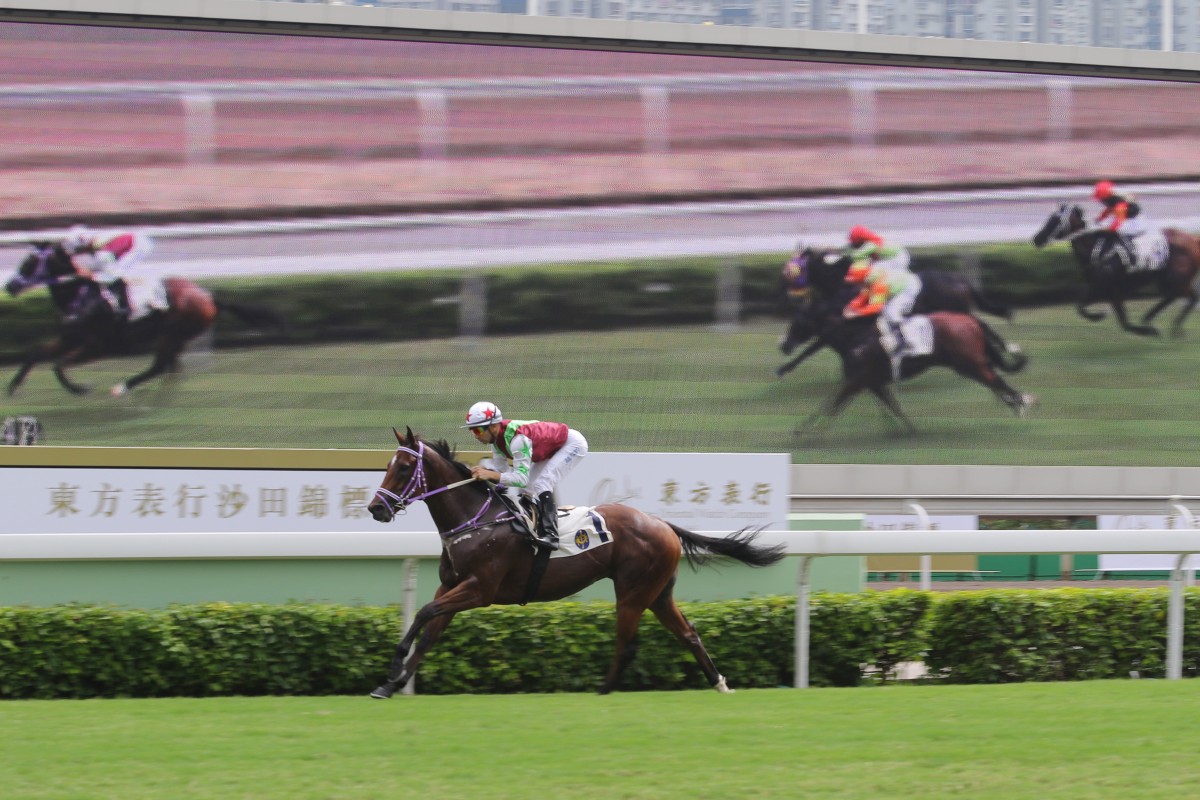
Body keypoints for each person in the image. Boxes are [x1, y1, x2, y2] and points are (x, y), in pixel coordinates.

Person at [461, 401, 589, 550]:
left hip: (572, 444)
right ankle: (534, 527)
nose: (475, 436)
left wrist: (491, 474)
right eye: (472, 431)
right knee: (528, 490)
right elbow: (504, 476)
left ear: (494, 426)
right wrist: (487, 474)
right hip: (550, 449)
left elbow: (520, 479)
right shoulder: (496, 443)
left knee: (542, 483)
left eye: (478, 430)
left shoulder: (517, 440)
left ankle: (551, 535)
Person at [843, 260, 923, 381]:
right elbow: (864, 296)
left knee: (891, 312)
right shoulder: (870, 279)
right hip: (900, 283)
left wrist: (856, 313)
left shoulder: (879, 284)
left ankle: (903, 341)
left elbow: (876, 307)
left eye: (856, 281)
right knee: (886, 312)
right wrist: (851, 306)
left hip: (909, 287)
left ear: (862, 278)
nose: (854, 284)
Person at [62, 225, 161, 320]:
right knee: (110, 272)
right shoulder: (99, 240)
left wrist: (91, 275)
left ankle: (145, 304)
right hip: (139, 240)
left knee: (120, 276)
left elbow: (111, 277)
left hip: (141, 247)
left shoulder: (103, 253)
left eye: (79, 251)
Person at [843, 225, 911, 274]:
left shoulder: (871, 245)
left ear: (860, 240)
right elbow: (849, 249)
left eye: (854, 242)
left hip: (898, 258)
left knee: (874, 270)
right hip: (889, 256)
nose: (852, 244)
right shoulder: (868, 241)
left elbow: (855, 257)